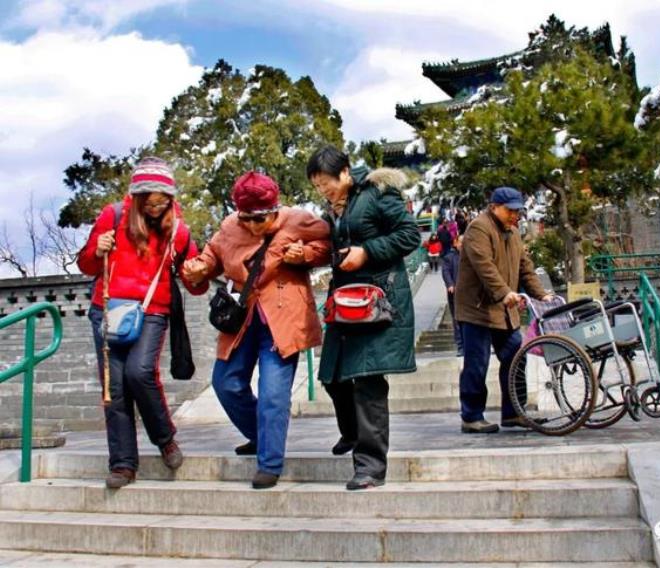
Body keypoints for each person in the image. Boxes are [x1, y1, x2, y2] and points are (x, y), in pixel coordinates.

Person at [182, 171, 330, 490]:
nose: (252, 225)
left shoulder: (299, 220)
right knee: (225, 382)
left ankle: (270, 461)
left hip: (283, 317)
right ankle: (261, 436)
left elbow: (327, 243)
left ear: (274, 210)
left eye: (260, 219)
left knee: (273, 394)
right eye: (246, 218)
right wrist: (197, 268)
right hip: (243, 317)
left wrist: (303, 255)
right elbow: (212, 256)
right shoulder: (229, 227)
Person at [78, 157, 207, 489]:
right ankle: (123, 464)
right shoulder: (114, 216)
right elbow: (87, 264)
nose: (156, 207)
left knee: (140, 372)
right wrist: (97, 248)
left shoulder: (178, 230)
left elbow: (196, 283)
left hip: (152, 310)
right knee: (115, 389)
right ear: (136, 197)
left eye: (163, 201)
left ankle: (165, 439)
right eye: (149, 200)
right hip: (108, 309)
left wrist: (198, 273)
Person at [307, 145, 420, 490]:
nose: (322, 190)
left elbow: (410, 235)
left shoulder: (376, 193)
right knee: (332, 375)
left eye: (325, 182)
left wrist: (367, 252)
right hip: (345, 303)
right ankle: (353, 434)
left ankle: (371, 467)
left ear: (343, 172)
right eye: (316, 186)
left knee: (368, 382)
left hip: (377, 302)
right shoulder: (334, 209)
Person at [455, 186, 553, 433]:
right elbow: (484, 267)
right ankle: (471, 416)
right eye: (509, 210)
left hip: (504, 309)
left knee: (515, 357)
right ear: (494, 207)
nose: (514, 216)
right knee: (477, 363)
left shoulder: (514, 231)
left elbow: (525, 267)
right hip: (478, 309)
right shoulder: (479, 228)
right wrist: (505, 292)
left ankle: (513, 413)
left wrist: (541, 293)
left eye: (517, 211)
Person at [441, 234, 464, 357]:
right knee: (457, 320)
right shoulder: (449, 258)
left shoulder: (473, 257)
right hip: (455, 294)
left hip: (470, 294)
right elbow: (445, 271)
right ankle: (460, 346)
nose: (463, 245)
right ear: (456, 243)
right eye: (461, 243)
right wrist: (450, 284)